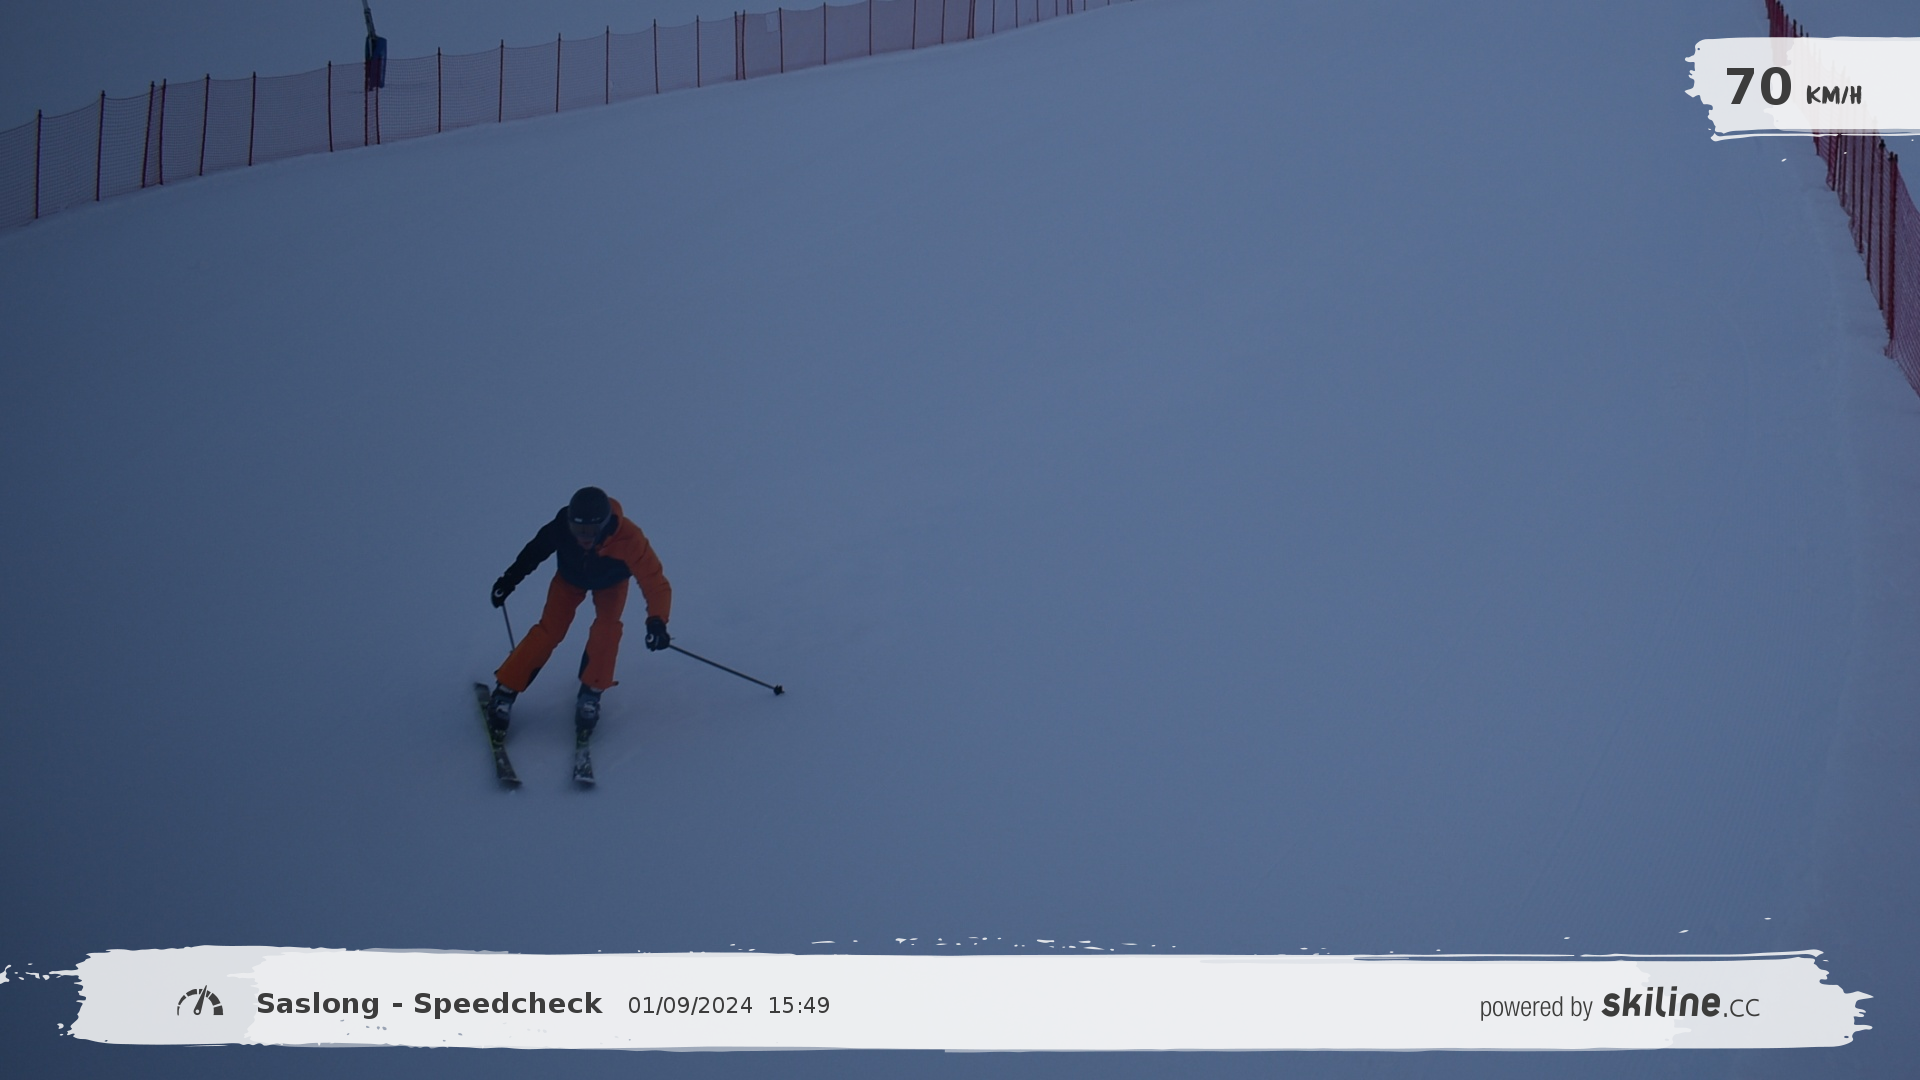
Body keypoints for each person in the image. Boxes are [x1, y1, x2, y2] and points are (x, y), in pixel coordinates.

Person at [487, 486, 671, 740]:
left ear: (604, 525)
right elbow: (535, 551)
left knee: (607, 629)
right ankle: (505, 689)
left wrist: (657, 621)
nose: (584, 537)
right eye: (578, 530)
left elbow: (655, 582)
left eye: (591, 531)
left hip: (611, 584)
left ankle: (591, 693)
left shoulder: (630, 538)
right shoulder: (561, 526)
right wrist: (509, 580)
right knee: (549, 631)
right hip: (569, 580)